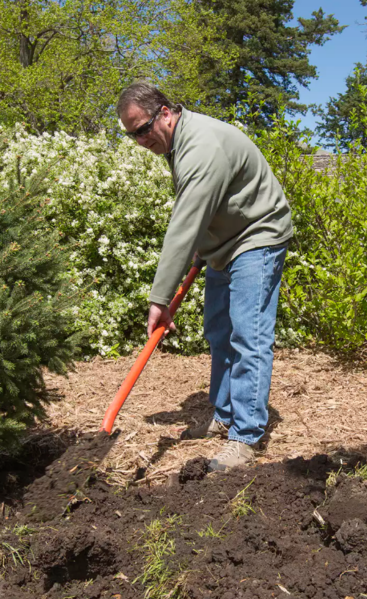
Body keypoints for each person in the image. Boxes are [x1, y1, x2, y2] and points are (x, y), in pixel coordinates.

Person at [116, 82, 293, 472]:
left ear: (165, 112)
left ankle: (245, 437)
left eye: (142, 129)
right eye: (131, 135)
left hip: (256, 235)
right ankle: (225, 414)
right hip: (223, 242)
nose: (140, 140)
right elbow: (203, 208)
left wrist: (159, 299)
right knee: (217, 330)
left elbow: (184, 222)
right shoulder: (176, 141)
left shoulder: (201, 146)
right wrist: (203, 245)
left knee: (249, 332)